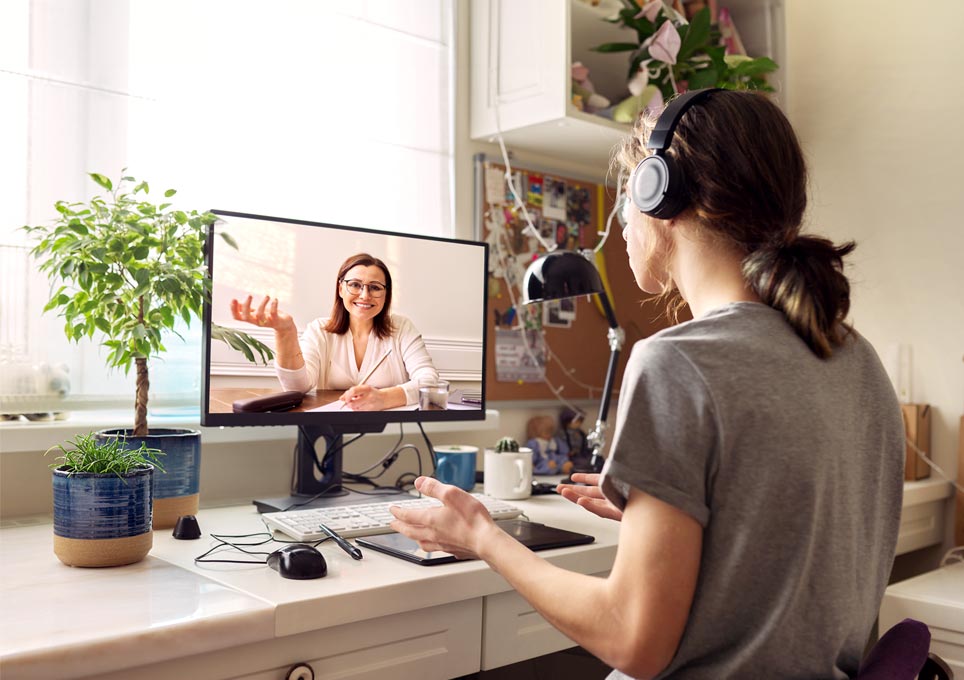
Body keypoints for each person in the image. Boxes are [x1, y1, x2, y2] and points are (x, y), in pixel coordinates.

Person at [389, 90, 904, 678]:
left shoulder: (678, 363)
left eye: (624, 201)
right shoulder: (853, 356)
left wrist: (481, 536)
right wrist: (672, 519)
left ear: (661, 195)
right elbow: (791, 557)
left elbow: (631, 638)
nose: (624, 226)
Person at [231, 252, 438, 411]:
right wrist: (285, 333)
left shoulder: (402, 328)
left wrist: (383, 398)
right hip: (329, 430)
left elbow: (429, 380)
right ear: (340, 289)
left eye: (375, 287)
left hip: (393, 431)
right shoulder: (319, 330)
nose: (365, 295)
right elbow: (298, 387)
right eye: (355, 285)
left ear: (386, 294)